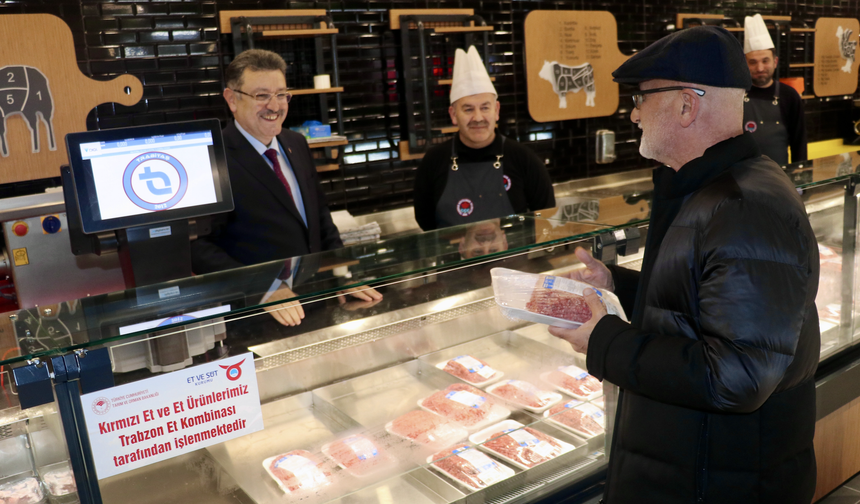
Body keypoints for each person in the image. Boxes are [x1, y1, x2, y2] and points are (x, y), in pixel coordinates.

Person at [548, 26, 819, 503]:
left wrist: (604, 338)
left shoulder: (744, 206)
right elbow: (705, 299)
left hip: (718, 483)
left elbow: (738, 375)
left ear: (686, 105)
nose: (633, 114)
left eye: (641, 98)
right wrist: (618, 286)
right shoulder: (709, 186)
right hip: (695, 469)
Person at [191, 49, 380, 324]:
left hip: (316, 300)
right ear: (232, 99)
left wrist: (342, 274)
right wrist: (264, 289)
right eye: (261, 95)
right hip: (256, 314)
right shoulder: (211, 158)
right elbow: (199, 248)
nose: (275, 106)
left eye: (281, 94)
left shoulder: (296, 143)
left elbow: (320, 217)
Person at [413, 46, 555, 231]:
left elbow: (546, 218)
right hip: (457, 258)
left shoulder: (523, 158)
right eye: (468, 109)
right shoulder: (433, 161)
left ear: (496, 111)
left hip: (514, 259)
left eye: (485, 107)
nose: (478, 118)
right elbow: (426, 222)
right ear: (453, 114)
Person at [743, 14, 807, 165]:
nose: (760, 68)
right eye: (753, 62)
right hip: (742, 181)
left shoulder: (789, 96)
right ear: (744, 64)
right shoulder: (734, 96)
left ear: (775, 61)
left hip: (779, 178)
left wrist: (801, 178)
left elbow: (799, 143)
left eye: (765, 61)